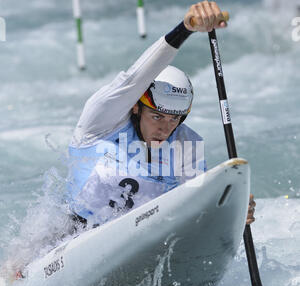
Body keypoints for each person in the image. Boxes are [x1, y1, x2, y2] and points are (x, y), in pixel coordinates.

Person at [67, 1, 256, 228]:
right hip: (70, 233)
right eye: (157, 116)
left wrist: (232, 211)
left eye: (174, 118)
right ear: (136, 107)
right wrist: (186, 28)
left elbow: (198, 205)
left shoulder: (186, 142)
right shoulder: (100, 122)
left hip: (143, 236)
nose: (166, 128)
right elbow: (136, 76)